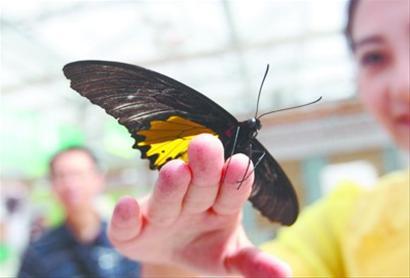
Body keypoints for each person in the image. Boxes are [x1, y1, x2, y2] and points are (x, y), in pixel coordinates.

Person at [108, 0, 409, 277]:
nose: (403, 84)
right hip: (179, 143)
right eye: (374, 57)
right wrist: (171, 261)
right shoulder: (348, 219)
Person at [18, 146, 141, 277]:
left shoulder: (125, 241)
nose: (70, 184)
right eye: (61, 176)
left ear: (98, 179)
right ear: (52, 185)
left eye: (78, 174)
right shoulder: (38, 252)